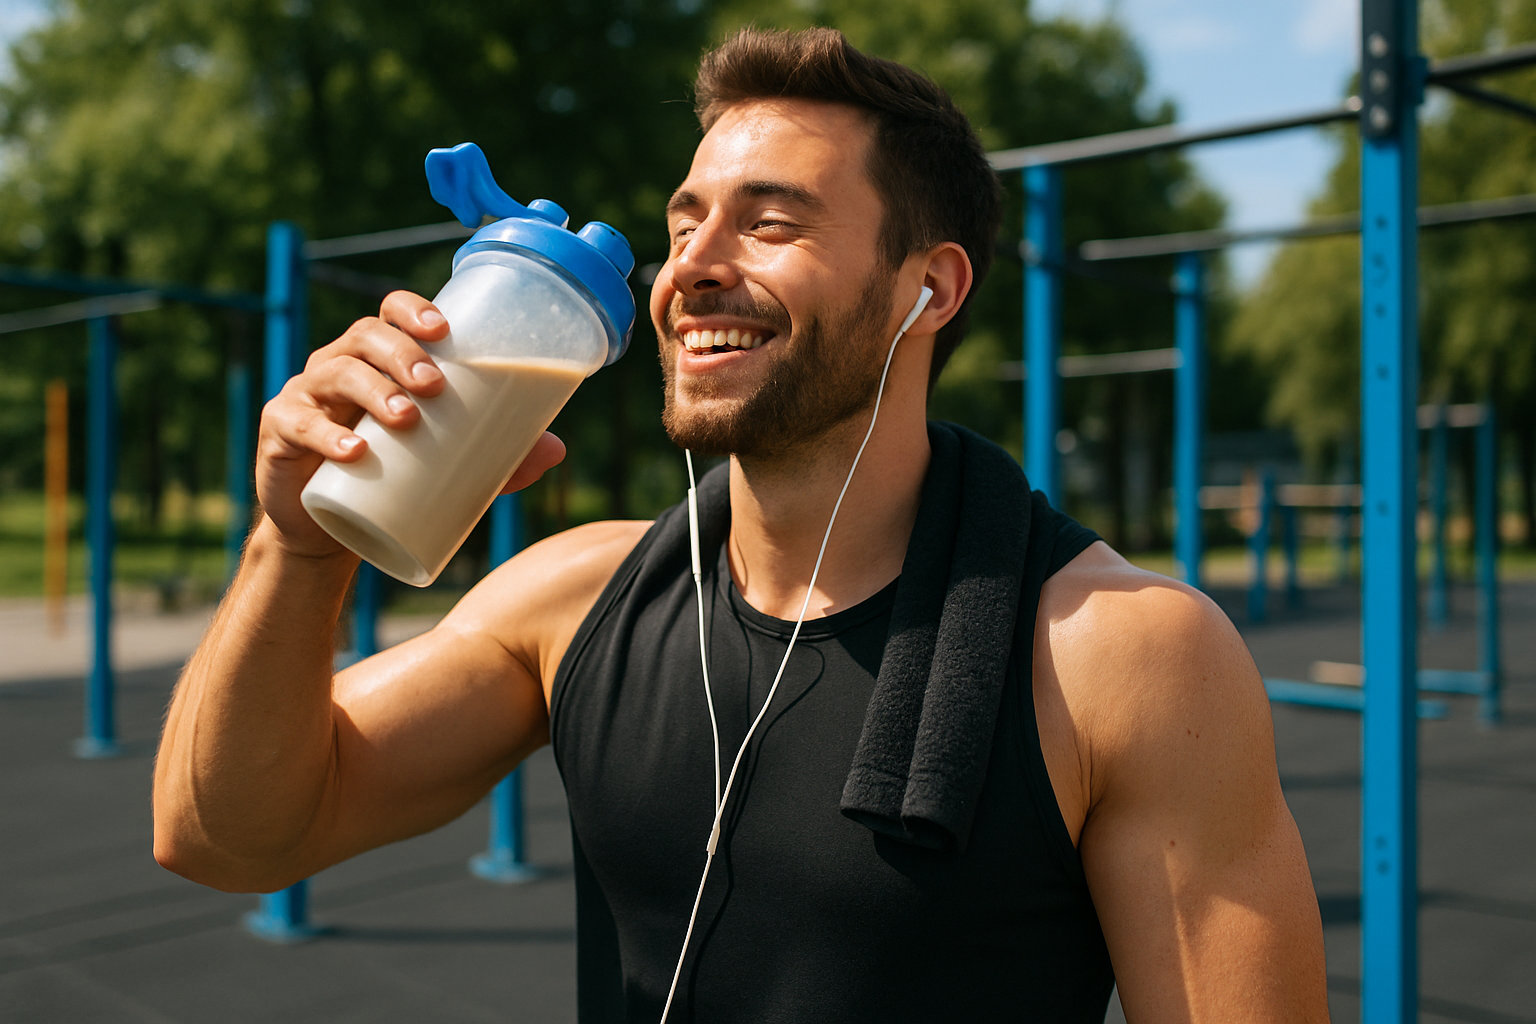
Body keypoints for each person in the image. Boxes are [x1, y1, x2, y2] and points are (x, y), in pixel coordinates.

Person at [154, 27, 1330, 1023]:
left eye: (768, 224)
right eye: (684, 223)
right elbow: (227, 836)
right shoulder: (579, 596)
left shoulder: (1121, 654)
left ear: (934, 288)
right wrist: (295, 546)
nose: (691, 270)